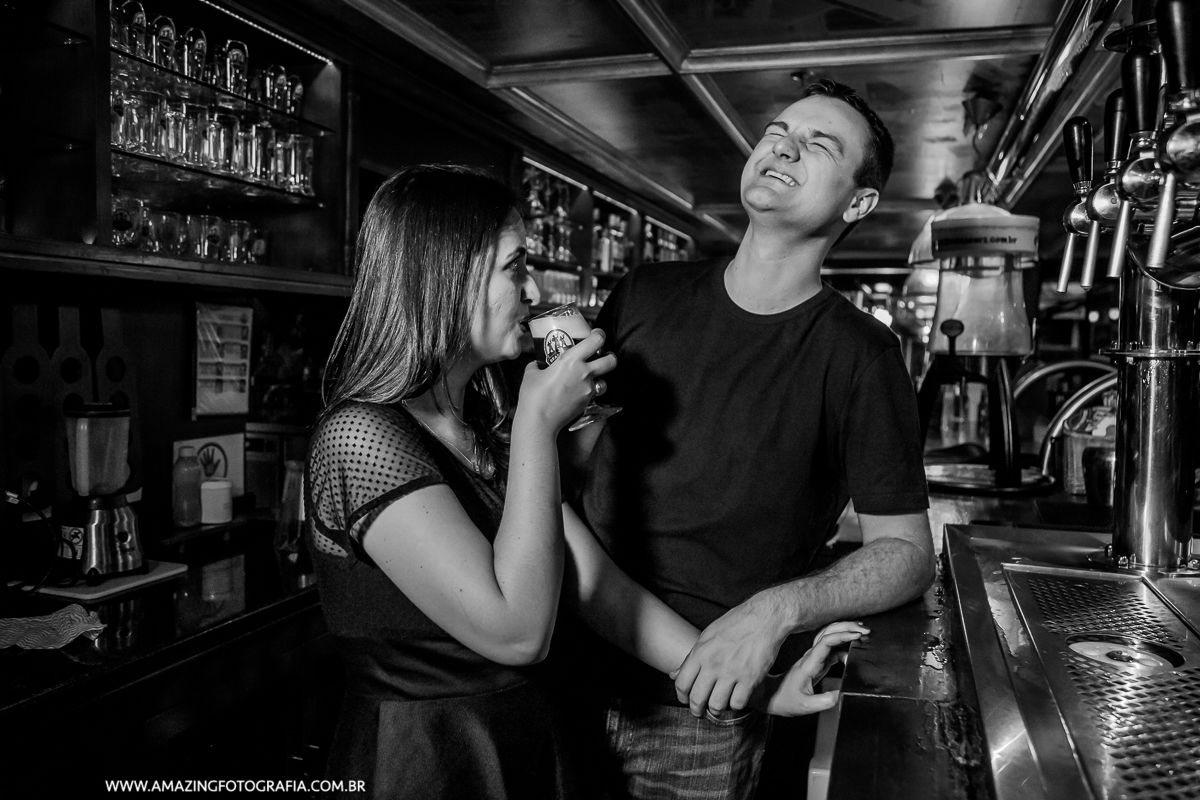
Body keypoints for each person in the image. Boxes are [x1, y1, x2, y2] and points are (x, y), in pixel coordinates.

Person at [305, 164, 869, 799]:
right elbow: (516, 633)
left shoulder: (479, 429)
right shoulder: (360, 436)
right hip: (431, 763)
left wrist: (755, 690)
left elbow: (597, 587)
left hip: (530, 748)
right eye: (514, 266)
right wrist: (539, 427)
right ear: (444, 274)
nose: (533, 287)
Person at [570, 79, 937, 799]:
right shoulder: (643, 294)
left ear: (857, 204)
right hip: (563, 661)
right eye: (778, 130)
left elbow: (907, 553)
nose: (784, 144)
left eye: (820, 143)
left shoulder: (861, 355)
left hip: (700, 703)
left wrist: (778, 609)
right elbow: (571, 471)